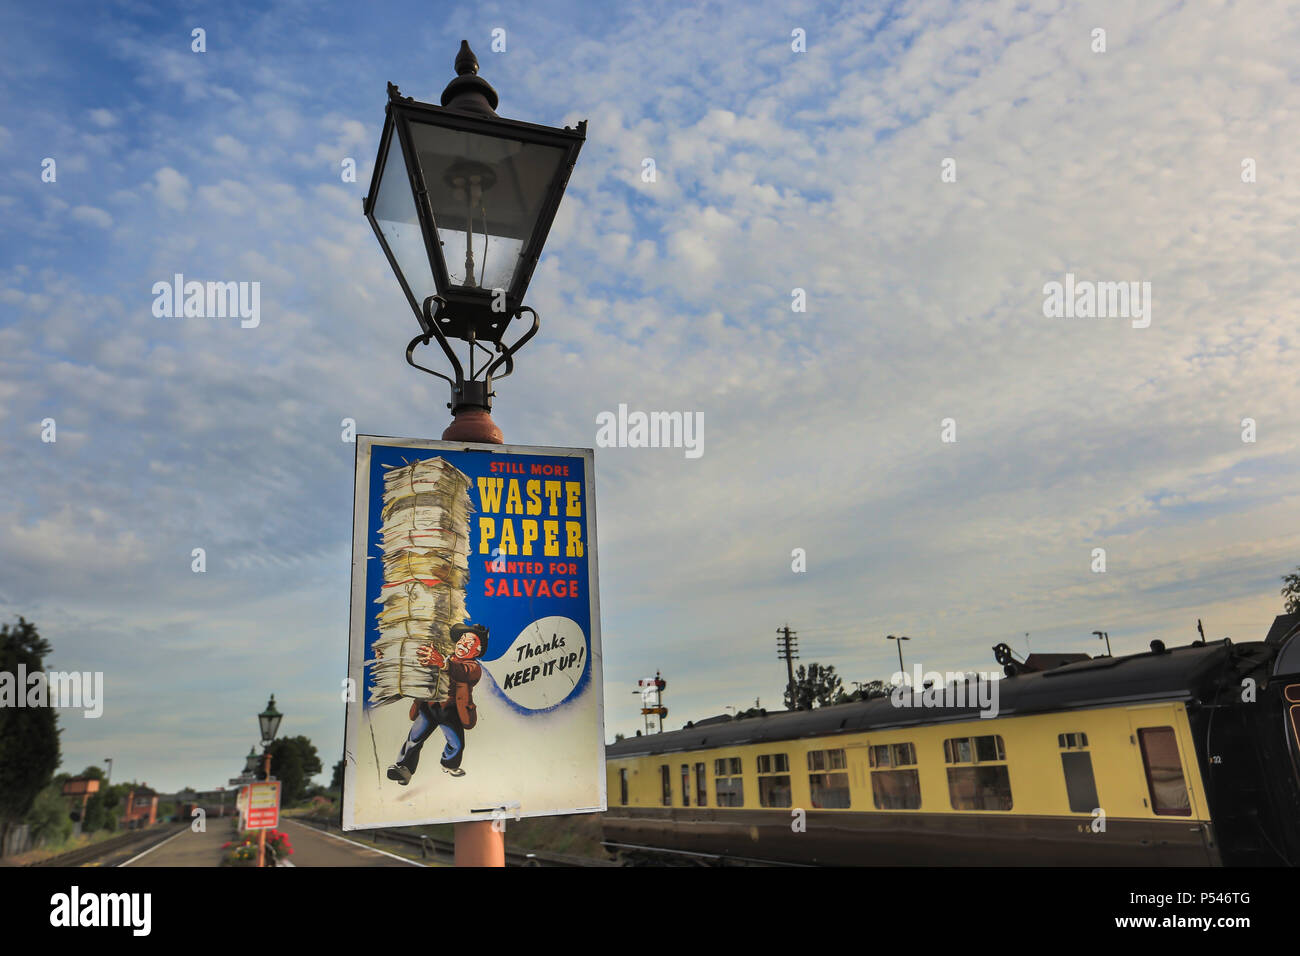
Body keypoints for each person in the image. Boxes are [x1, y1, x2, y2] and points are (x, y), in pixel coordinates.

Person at [387, 624, 487, 784]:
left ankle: (449, 764)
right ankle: (404, 769)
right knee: (414, 738)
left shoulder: (473, 668)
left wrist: (443, 664)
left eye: (470, 643)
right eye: (462, 640)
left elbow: (462, 672)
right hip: (429, 705)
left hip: (451, 710)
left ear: (477, 651)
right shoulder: (445, 655)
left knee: (456, 743)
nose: (463, 644)